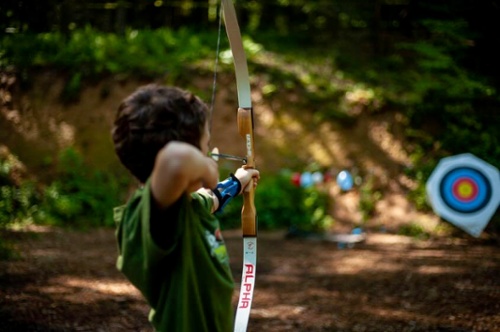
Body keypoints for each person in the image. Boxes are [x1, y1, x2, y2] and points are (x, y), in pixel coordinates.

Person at [111, 84, 260, 332]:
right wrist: (209, 170)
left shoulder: (187, 207)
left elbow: (210, 199)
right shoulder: (154, 220)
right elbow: (175, 160)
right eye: (205, 145)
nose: (208, 153)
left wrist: (237, 182)